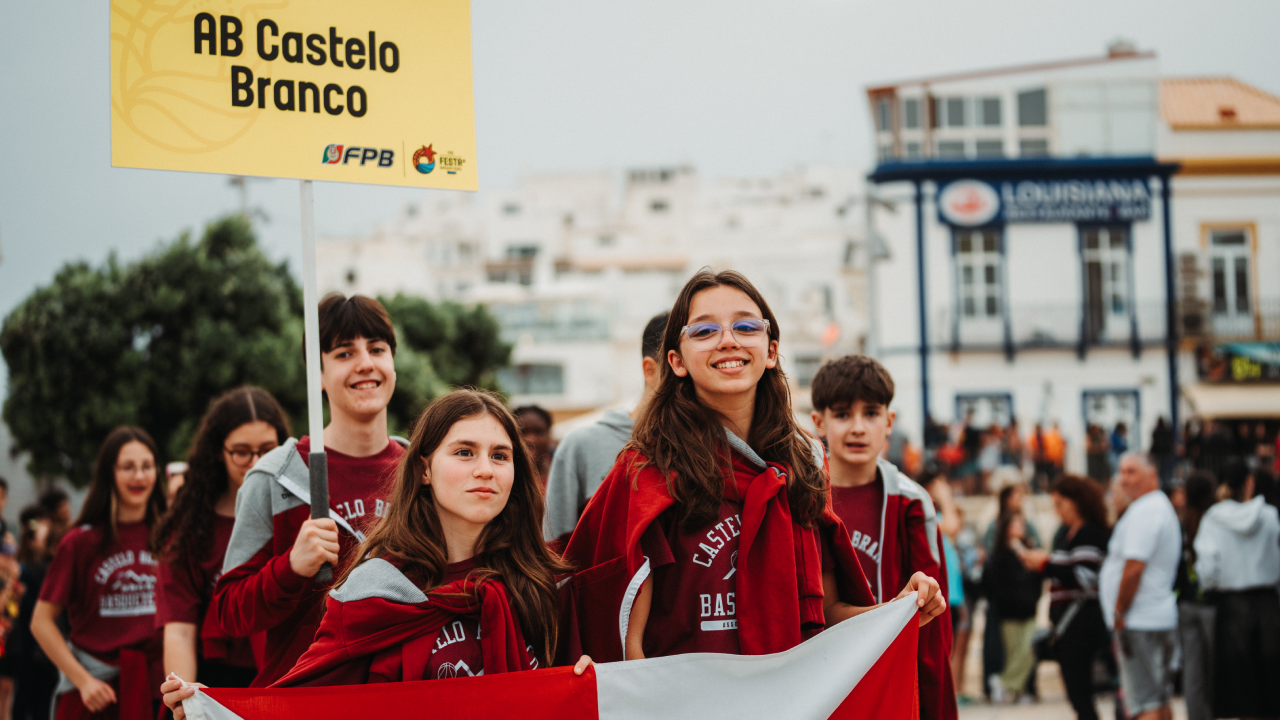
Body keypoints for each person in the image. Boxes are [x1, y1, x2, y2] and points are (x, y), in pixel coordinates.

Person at [560, 269, 944, 666]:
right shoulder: (646, 472)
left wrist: (899, 611)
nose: (728, 340)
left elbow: (823, 617)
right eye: (705, 332)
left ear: (771, 351)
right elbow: (628, 650)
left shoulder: (805, 466)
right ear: (676, 361)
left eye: (745, 326)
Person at [161, 390, 595, 717]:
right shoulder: (371, 593)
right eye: (464, 452)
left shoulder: (547, 583)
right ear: (424, 468)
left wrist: (592, 682)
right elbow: (299, 705)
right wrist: (211, 708)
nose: (485, 469)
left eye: (500, 455)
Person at [211, 293, 406, 687]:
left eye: (377, 349)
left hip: (400, 699)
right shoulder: (274, 476)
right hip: (304, 699)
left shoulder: (424, 472)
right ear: (316, 375)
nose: (365, 363)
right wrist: (289, 569)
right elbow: (229, 612)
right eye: (344, 353)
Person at [810, 354, 956, 720]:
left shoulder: (912, 503)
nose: (857, 427)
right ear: (819, 423)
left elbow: (935, 629)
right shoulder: (803, 500)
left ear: (889, 421)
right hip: (823, 683)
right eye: (842, 414)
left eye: (871, 413)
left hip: (892, 682)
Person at [153, 387, 292, 689]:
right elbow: (180, 631)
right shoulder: (191, 530)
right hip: (216, 684)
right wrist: (188, 700)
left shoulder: (298, 516)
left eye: (268, 450)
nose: (256, 462)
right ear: (218, 451)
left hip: (290, 677)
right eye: (241, 452)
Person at [31, 427, 167, 720]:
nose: (139, 477)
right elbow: (40, 622)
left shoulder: (170, 536)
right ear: (109, 473)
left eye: (146, 466)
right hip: (94, 695)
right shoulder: (80, 542)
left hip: (154, 689)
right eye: (127, 467)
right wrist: (82, 680)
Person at [544, 312, 667, 543]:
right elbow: (555, 552)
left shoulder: (708, 449)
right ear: (651, 370)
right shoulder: (583, 446)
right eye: (678, 364)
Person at [1194, 461, 1280, 720]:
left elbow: (1207, 567)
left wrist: (1212, 584)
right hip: (1267, 606)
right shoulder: (1269, 515)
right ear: (1249, 482)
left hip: (1232, 608)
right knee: (1271, 686)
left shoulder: (1213, 518)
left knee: (1241, 691)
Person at [1099, 453, 1181, 720]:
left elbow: (1134, 567)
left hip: (1139, 619)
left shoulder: (1146, 510)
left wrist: (1120, 610)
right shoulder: (1156, 507)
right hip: (1153, 616)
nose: (1124, 479)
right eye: (1121, 472)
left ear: (1152, 475)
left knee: (1144, 704)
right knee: (1158, 698)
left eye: (1131, 472)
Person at [1021, 476, 1111, 720]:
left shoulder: (1090, 532)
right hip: (1071, 622)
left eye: (1060, 504)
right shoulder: (1070, 533)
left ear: (1077, 502)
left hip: (1081, 622)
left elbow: (1082, 575)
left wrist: (1045, 564)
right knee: (1077, 694)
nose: (1057, 510)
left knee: (1080, 692)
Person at [1174, 470, 1217, 720]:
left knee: (1193, 669)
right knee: (1214, 667)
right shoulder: (1215, 521)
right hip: (1212, 602)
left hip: (1187, 602)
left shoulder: (1182, 524)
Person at [985, 512, 1041, 704]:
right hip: (1009, 612)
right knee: (1015, 653)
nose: (1020, 526)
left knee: (1029, 650)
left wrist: (1033, 598)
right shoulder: (1000, 556)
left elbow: (1037, 578)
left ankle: (1004, 682)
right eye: (1016, 523)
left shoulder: (1029, 551)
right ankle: (1015, 690)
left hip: (1029, 610)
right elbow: (997, 585)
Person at [10, 505, 59, 720]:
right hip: (26, 644)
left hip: (43, 647)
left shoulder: (49, 566)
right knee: (26, 698)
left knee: (39, 701)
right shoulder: (23, 567)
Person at [512, 406, 554, 487]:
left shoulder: (562, 474)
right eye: (522, 432)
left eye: (538, 432)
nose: (531, 439)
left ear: (549, 435)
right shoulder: (504, 478)